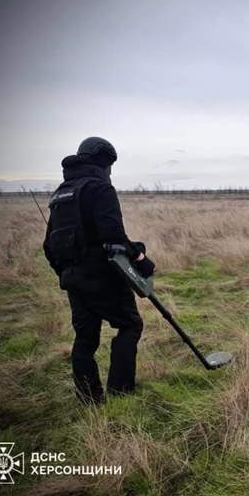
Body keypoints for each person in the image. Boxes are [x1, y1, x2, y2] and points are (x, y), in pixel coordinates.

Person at [43, 137, 155, 405]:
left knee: (85, 339)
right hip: (101, 274)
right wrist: (139, 255)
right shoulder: (100, 188)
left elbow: (49, 245)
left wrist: (65, 274)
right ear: (102, 161)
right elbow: (113, 236)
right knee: (130, 325)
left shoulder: (61, 193)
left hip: (72, 278)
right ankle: (120, 393)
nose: (110, 171)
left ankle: (90, 400)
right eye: (109, 164)